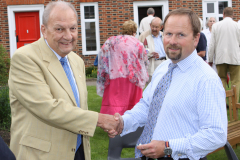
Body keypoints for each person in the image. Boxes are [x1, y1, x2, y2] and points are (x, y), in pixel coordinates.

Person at [8, 1, 121, 160]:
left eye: (73, 28)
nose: (68, 36)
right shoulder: (25, 59)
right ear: (44, 30)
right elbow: (48, 108)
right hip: (40, 155)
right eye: (59, 29)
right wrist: (100, 120)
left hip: (78, 152)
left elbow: (79, 107)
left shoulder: (76, 61)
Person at [109, 8, 227, 160]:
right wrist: (124, 122)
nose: (172, 41)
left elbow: (216, 135)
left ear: (196, 39)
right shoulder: (164, 68)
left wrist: (168, 148)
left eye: (181, 35)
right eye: (169, 34)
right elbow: (147, 105)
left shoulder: (206, 79)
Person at [97, 20, 149, 116]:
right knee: (132, 105)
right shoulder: (138, 44)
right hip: (132, 78)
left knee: (115, 102)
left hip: (115, 78)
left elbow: (103, 57)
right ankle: (129, 126)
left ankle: (113, 126)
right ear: (134, 31)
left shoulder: (112, 41)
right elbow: (144, 61)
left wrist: (105, 73)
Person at [208, 7, 240, 102]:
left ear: (223, 14)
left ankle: (222, 103)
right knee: (235, 81)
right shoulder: (237, 26)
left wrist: (210, 59)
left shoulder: (216, 26)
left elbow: (212, 44)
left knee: (221, 79)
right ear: (233, 15)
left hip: (220, 58)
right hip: (235, 57)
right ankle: (234, 104)